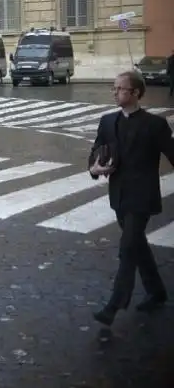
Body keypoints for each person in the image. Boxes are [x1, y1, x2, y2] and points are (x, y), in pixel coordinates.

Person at [89, 71, 172, 326]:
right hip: (119, 195)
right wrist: (94, 168)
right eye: (114, 89)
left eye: (120, 89)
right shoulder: (107, 121)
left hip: (142, 196)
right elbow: (95, 152)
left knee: (127, 248)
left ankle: (114, 305)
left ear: (135, 93)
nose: (115, 93)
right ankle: (157, 291)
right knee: (137, 245)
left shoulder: (154, 125)